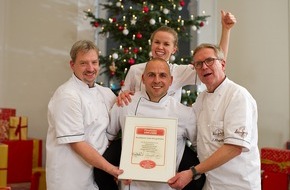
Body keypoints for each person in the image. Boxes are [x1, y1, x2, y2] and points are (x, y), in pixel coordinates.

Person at [168, 43, 261, 190]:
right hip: (211, 183)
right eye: (198, 64)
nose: (204, 67)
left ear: (222, 64)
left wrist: (192, 172)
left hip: (238, 184)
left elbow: (234, 148)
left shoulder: (237, 96)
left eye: (209, 60)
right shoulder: (201, 99)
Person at [107, 57, 205, 190]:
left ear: (170, 80)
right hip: (130, 185)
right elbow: (108, 140)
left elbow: (201, 150)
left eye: (162, 75)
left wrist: (187, 174)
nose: (157, 80)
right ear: (143, 78)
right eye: (151, 75)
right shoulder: (125, 104)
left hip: (167, 186)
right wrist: (113, 169)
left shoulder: (185, 113)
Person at [46, 40, 123, 190]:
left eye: (94, 62)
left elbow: (118, 122)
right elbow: (77, 143)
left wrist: (126, 98)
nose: (90, 68)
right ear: (72, 65)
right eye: (83, 63)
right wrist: (112, 169)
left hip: (95, 174)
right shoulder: (67, 95)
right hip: (70, 177)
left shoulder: (106, 93)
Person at [117, 10, 236, 106]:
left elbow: (216, 62)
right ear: (151, 44)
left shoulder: (180, 71)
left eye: (166, 44)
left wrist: (226, 30)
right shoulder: (135, 70)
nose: (160, 47)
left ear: (174, 49)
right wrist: (123, 96)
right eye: (157, 42)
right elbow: (123, 98)